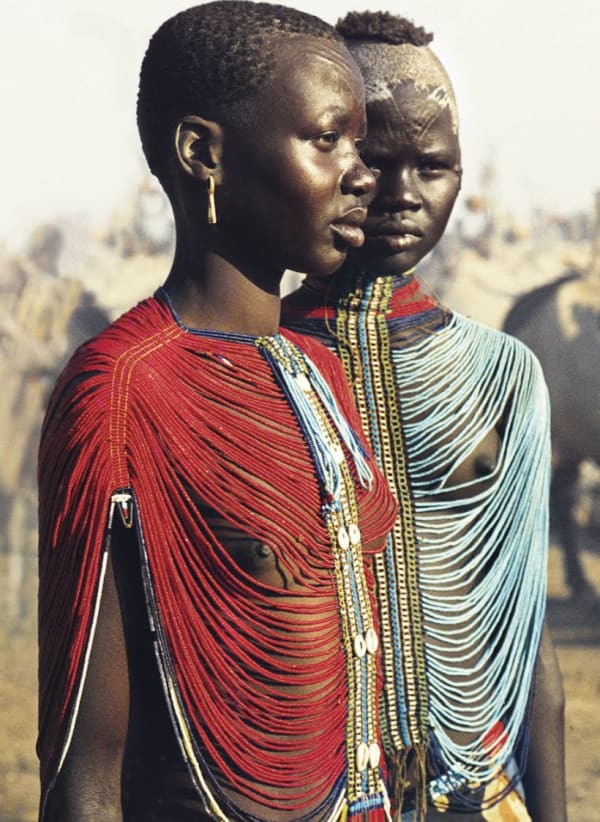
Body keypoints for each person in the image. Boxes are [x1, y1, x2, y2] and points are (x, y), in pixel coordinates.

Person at [36, 4, 400, 821]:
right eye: (326, 139)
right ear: (203, 152)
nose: (362, 171)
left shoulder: (320, 372)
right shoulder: (124, 392)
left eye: (359, 143)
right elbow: (84, 767)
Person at [282, 11, 565, 821]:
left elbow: (527, 638)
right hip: (319, 795)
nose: (404, 194)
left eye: (434, 166)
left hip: (478, 790)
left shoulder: (504, 376)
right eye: (376, 160)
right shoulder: (263, 363)